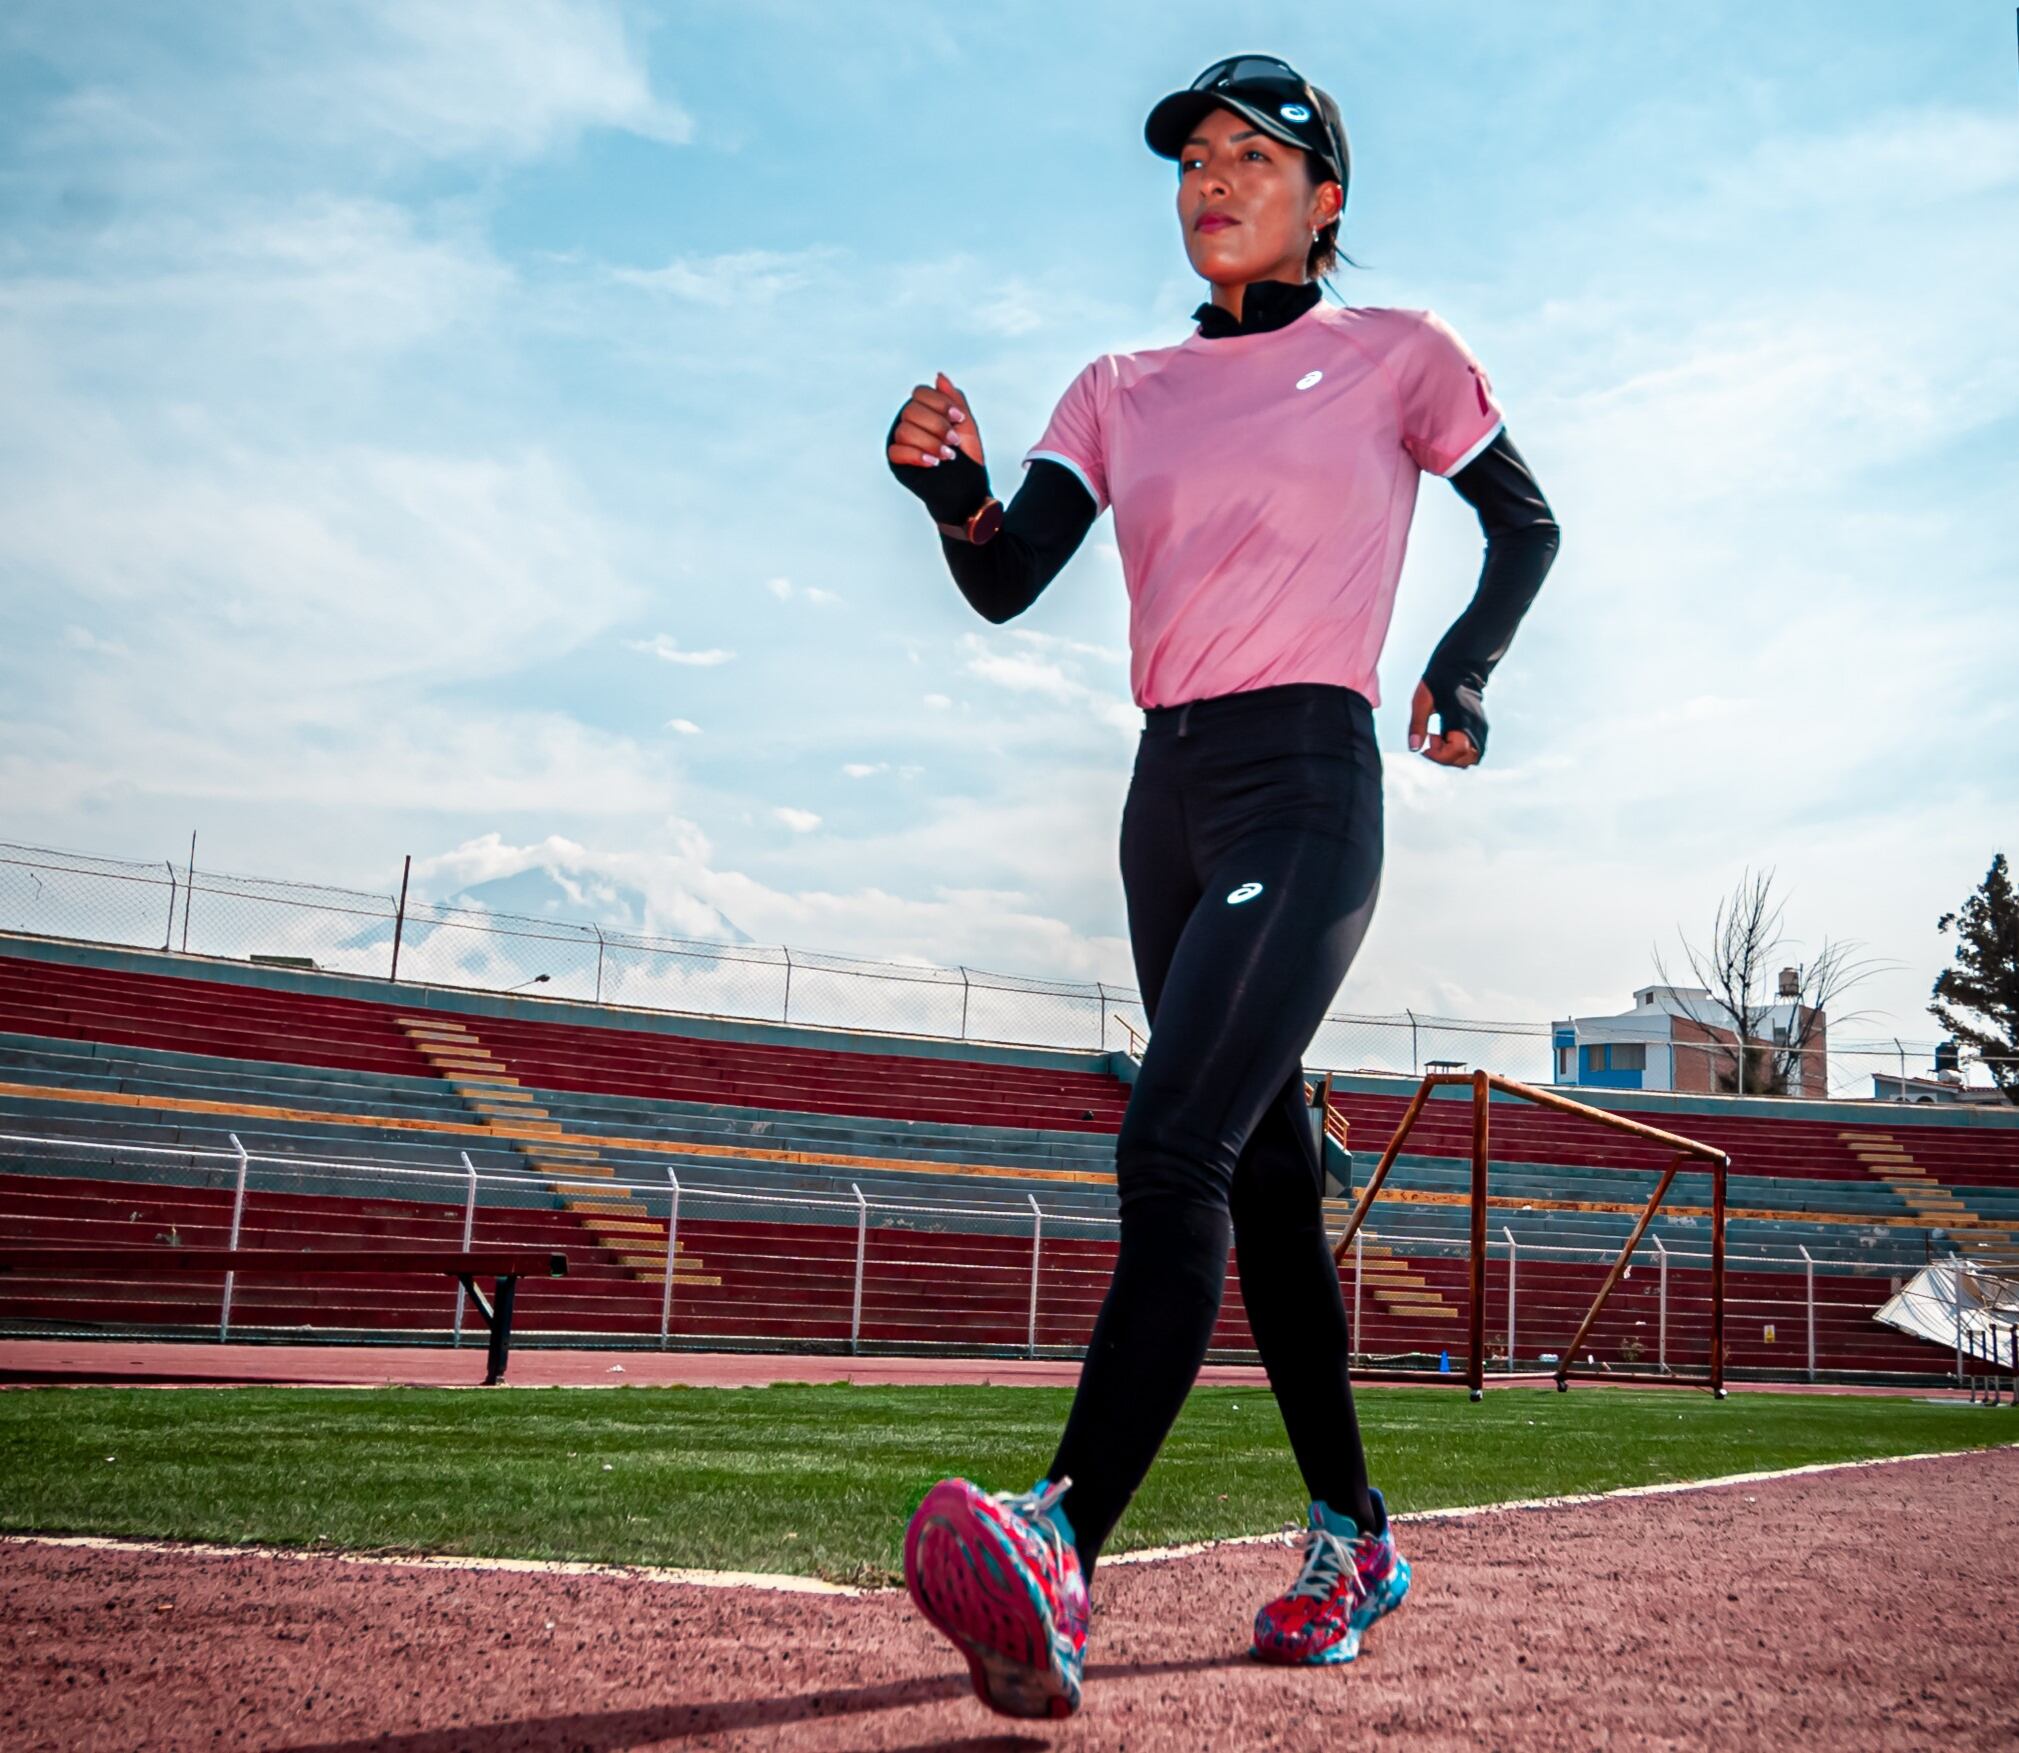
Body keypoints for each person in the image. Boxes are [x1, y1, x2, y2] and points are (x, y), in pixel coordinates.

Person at [883, 53, 1560, 1721]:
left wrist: (1463, 673)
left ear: (1326, 200)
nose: (1210, 175)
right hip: (1164, 800)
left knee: (1169, 1139)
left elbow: (1523, 522)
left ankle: (1059, 1539)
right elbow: (1007, 577)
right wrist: (952, 493)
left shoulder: (1400, 353)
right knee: (1257, 1189)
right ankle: (1355, 1532)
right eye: (1191, 154)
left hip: (1307, 788)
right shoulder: (1120, 385)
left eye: (1252, 153)